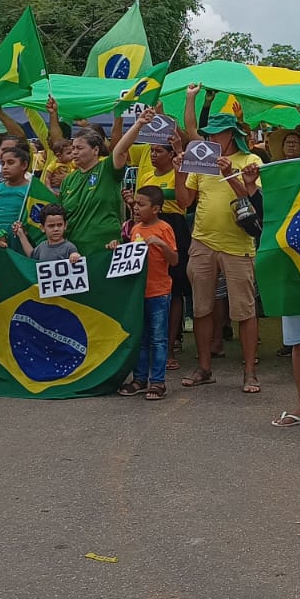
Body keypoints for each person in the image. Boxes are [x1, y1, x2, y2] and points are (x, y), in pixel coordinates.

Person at [176, 85, 261, 394]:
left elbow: (253, 202)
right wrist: (179, 173)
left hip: (238, 246)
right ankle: (204, 368)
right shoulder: (202, 160)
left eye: (216, 134)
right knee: (201, 308)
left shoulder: (250, 159)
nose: (210, 138)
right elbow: (185, 201)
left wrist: (230, 176)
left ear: (231, 135)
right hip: (202, 242)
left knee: (244, 311)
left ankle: (249, 372)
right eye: (209, 134)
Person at [114, 186, 178, 401]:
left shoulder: (164, 228)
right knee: (140, 338)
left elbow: (174, 260)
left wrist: (161, 244)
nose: (135, 207)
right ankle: (139, 379)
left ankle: (158, 381)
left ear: (156, 209)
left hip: (159, 292)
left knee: (158, 339)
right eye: (135, 203)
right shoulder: (134, 229)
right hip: (138, 293)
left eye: (141, 204)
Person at [55, 111, 149, 257]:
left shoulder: (107, 169)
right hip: (75, 253)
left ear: (95, 150)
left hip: (106, 248)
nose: (74, 152)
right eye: (73, 148)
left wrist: (138, 124)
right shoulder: (68, 180)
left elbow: (121, 149)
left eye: (79, 148)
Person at [134, 135, 192, 369]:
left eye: (158, 151)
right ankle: (150, 345)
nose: (153, 154)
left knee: (175, 288)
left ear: (170, 154)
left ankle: (169, 346)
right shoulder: (147, 176)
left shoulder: (179, 171)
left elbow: (183, 200)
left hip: (173, 227)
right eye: (151, 150)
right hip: (148, 228)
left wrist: (179, 163)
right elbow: (139, 205)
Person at [0, 141, 34, 238]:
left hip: (22, 236)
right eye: (2, 163)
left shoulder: (32, 190)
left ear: (24, 165)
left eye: (10, 163)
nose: (5, 167)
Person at [14, 204, 79, 263]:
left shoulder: (69, 247)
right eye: (51, 226)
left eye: (59, 225)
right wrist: (21, 234)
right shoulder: (42, 247)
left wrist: (75, 256)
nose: (56, 229)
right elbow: (31, 255)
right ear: (42, 228)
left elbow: (78, 261)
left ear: (65, 226)